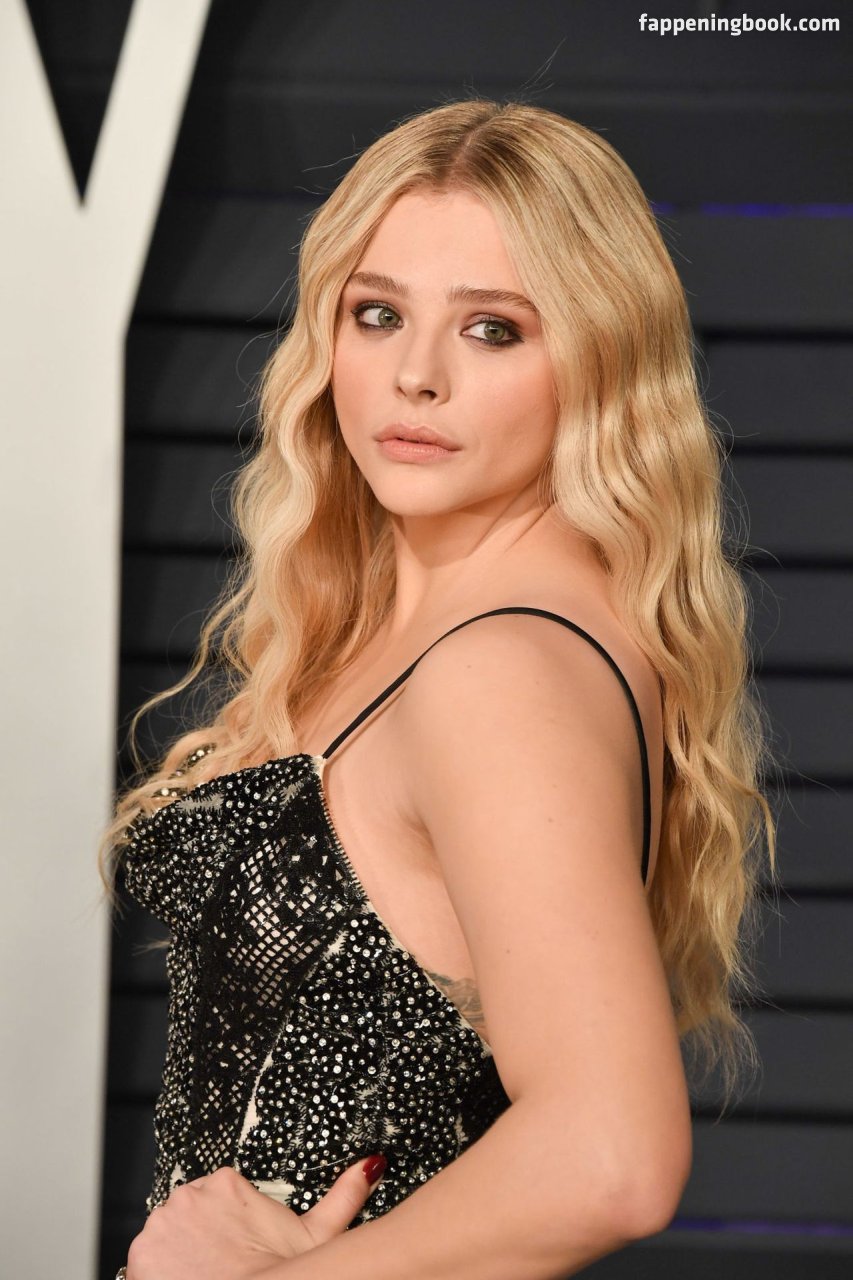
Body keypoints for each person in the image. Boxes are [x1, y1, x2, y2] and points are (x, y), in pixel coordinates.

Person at [102, 97, 777, 1280]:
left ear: (601, 356)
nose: (415, 376)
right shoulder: (444, 624)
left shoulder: (498, 668)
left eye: (492, 330)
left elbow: (613, 1155)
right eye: (377, 314)